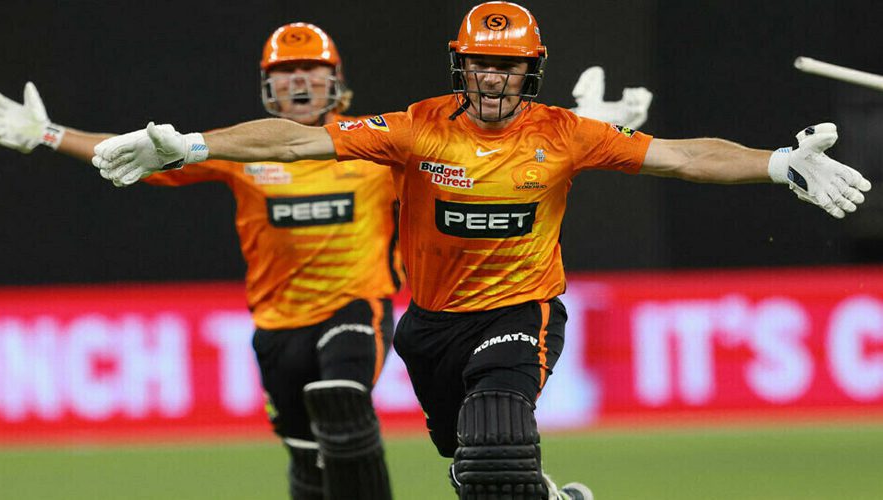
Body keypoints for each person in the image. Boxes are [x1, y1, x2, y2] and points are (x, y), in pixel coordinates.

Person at [87, 2, 872, 499]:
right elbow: (295, 139)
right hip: (428, 327)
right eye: (482, 63)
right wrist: (190, 144)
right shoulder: (417, 125)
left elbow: (681, 155)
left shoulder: (564, 133)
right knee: (477, 474)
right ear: (460, 65)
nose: (494, 79)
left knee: (497, 446)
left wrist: (777, 163)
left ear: (530, 70)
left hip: (520, 312)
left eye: (509, 65)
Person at [0, 23, 400, 500]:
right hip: (278, 326)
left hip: (355, 308)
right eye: (285, 71)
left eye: (311, 69)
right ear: (266, 83)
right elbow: (138, 156)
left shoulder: (373, 147)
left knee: (343, 405)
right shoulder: (246, 148)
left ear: (336, 78)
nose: (299, 81)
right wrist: (47, 134)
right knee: (307, 459)